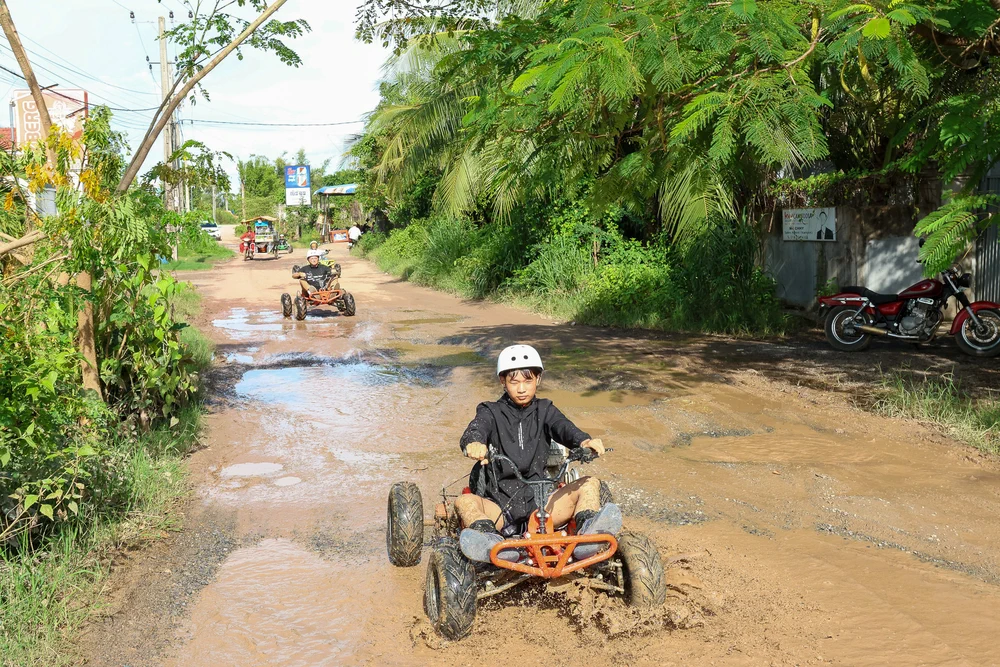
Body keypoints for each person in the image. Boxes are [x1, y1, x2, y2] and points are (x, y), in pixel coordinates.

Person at [455, 344, 622, 563]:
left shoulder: (545, 410)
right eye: (514, 382)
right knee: (464, 502)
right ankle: (491, 542)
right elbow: (476, 428)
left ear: (538, 380)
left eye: (528, 381)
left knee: (590, 483)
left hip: (543, 507)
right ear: (502, 381)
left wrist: (584, 441)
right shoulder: (490, 411)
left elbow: (563, 427)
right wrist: (474, 443)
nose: (522, 389)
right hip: (500, 507)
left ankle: (588, 537)